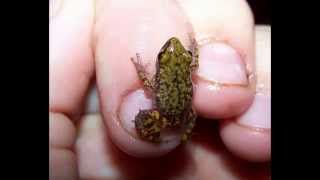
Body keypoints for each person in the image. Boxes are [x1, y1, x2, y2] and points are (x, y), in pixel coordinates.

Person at [49, 0, 271, 179]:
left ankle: (163, 137)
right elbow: (189, 66)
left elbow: (147, 84)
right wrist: (194, 48)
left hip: (167, 113)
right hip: (181, 112)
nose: (174, 46)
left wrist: (138, 67)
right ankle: (180, 135)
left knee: (140, 119)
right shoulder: (190, 67)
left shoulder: (164, 75)